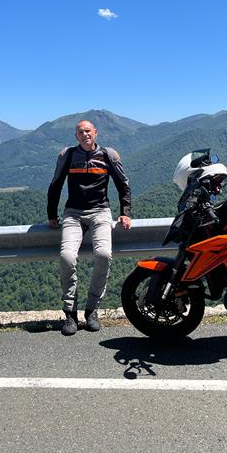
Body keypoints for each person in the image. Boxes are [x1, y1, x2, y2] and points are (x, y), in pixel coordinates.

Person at [47, 119, 132, 336]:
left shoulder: (108, 155)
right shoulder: (68, 155)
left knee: (103, 254)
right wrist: (51, 214)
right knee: (66, 256)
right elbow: (56, 184)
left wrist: (125, 212)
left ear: (95, 133)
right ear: (76, 136)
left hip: (101, 212)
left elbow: (123, 184)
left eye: (88, 131)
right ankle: (70, 312)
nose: (85, 134)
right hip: (73, 213)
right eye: (80, 132)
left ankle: (92, 310)